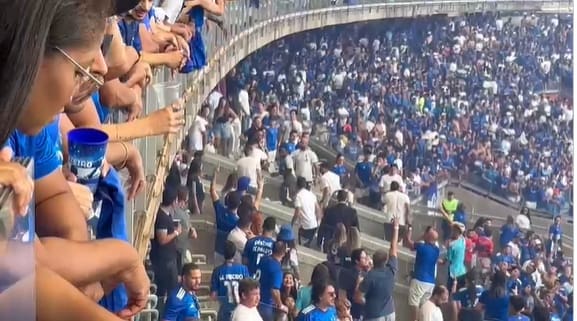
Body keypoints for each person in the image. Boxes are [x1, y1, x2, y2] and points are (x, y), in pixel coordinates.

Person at [359, 217, 400, 321]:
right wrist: (396, 227)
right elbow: (393, 247)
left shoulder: (370, 276)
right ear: (386, 261)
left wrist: (368, 303)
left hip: (374, 315)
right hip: (390, 313)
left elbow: (358, 296)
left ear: (374, 261)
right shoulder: (391, 269)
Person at [150, 187, 181, 299]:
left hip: (171, 258)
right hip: (164, 261)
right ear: (173, 201)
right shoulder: (162, 217)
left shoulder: (167, 214)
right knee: (169, 289)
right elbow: (162, 239)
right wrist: (176, 233)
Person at [406, 226, 441, 321]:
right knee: (422, 307)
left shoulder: (422, 247)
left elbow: (409, 243)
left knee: (414, 305)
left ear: (427, 236)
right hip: (430, 284)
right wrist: (426, 236)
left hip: (419, 280)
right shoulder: (437, 250)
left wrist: (409, 231)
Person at [210, 241, 250, 321]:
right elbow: (249, 289)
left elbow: (213, 296)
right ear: (235, 253)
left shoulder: (217, 271)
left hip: (224, 312)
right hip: (240, 311)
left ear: (223, 254)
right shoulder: (243, 269)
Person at [210, 165, 240, 265]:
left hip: (217, 250)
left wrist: (215, 174)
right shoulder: (238, 222)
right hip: (231, 255)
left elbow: (212, 190)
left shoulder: (220, 211)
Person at [257, 241, 288, 321]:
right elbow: (274, 290)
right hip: (266, 305)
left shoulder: (264, 259)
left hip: (255, 298)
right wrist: (280, 305)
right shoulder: (277, 269)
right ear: (284, 253)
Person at [292, 176, 321, 247]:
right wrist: (318, 222)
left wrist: (291, 223)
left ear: (297, 185)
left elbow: (297, 212)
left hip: (305, 226)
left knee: (300, 244)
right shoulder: (312, 195)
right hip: (314, 225)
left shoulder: (298, 196)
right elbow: (318, 210)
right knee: (307, 244)